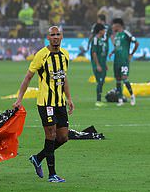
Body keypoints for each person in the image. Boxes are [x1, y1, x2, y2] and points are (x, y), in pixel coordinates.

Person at [12, 25, 74, 183]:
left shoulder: (65, 55)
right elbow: (28, 77)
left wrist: (69, 98)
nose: (55, 37)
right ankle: (52, 174)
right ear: (48, 38)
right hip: (45, 103)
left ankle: (37, 158)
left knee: (63, 137)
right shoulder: (41, 55)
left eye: (57, 34)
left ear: (62, 37)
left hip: (60, 102)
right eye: (52, 35)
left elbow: (63, 78)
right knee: (51, 135)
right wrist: (19, 98)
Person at [109, 18, 139, 106]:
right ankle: (120, 99)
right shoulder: (117, 35)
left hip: (124, 60)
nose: (112, 27)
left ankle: (132, 96)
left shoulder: (126, 33)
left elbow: (136, 43)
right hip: (116, 61)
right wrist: (112, 52)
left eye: (113, 25)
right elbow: (117, 47)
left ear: (118, 25)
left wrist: (131, 54)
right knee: (118, 80)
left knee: (124, 78)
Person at [89, 23, 108, 106]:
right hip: (98, 64)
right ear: (100, 31)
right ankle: (98, 101)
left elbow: (102, 53)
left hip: (103, 64)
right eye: (104, 30)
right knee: (100, 81)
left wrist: (105, 64)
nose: (105, 31)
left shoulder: (102, 40)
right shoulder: (95, 39)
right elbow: (94, 52)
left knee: (102, 81)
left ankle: (99, 99)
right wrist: (97, 65)